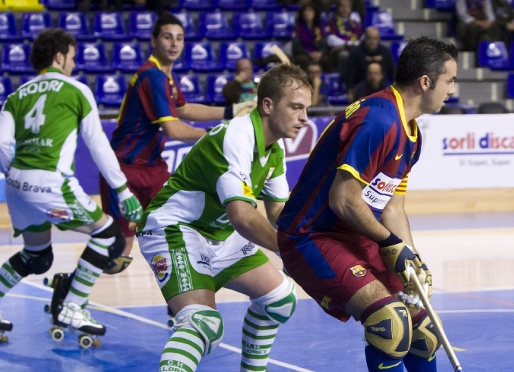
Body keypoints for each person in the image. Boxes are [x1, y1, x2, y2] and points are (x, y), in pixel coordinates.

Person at [277, 36, 458, 371]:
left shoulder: (411, 133)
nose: (452, 90)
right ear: (425, 82)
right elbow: (343, 200)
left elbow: (392, 207)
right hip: (312, 236)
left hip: (358, 234)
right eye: (449, 81)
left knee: (425, 329)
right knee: (391, 325)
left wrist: (413, 260)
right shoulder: (379, 120)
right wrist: (391, 243)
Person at [137, 63, 311, 372]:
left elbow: (278, 213)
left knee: (280, 299)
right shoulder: (238, 136)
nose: (305, 118)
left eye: (306, 109)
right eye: (296, 107)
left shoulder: (274, 151)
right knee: (203, 324)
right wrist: (290, 249)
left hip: (218, 233)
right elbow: (243, 217)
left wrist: (315, 236)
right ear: (268, 105)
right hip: (175, 228)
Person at [0, 28, 142, 339]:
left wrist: (19, 173)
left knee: (36, 257)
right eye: (73, 58)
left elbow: (2, 145)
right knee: (109, 236)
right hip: (51, 183)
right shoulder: (75, 90)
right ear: (60, 56)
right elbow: (97, 144)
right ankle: (72, 306)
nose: (74, 65)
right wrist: (122, 189)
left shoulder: (15, 96)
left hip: (14, 186)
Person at [99, 12, 255, 273]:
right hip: (125, 169)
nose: (174, 43)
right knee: (119, 253)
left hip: (153, 168)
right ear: (154, 41)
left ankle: (183, 299)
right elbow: (172, 129)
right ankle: (71, 288)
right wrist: (217, 135)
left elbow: (183, 109)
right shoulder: (152, 76)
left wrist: (232, 110)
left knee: (177, 228)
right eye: (168, 37)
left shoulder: (166, 77)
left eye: (179, 38)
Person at [345, 26, 395, 100]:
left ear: (378, 39)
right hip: (361, 89)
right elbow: (349, 73)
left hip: (381, 88)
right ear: (365, 39)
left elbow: (393, 73)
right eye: (369, 38)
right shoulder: (356, 52)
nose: (372, 41)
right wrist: (350, 91)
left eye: (375, 39)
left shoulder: (385, 52)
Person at [292, 2, 333, 72]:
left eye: (309, 10)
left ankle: (326, 80)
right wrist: (309, 53)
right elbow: (296, 46)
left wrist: (320, 53)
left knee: (326, 59)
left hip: (317, 54)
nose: (306, 13)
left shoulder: (320, 28)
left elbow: (324, 44)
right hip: (305, 54)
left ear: (315, 13)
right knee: (301, 60)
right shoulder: (298, 28)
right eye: (305, 11)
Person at [326, 0, 363, 78]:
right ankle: (342, 79)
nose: (344, 9)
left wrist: (353, 44)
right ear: (338, 8)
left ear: (350, 9)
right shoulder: (332, 22)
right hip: (338, 50)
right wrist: (348, 44)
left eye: (347, 7)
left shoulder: (355, 23)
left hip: (354, 49)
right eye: (342, 6)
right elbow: (330, 40)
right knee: (345, 55)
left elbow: (361, 38)